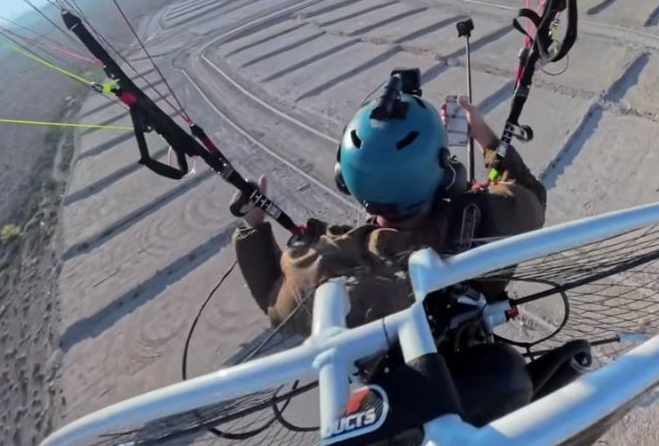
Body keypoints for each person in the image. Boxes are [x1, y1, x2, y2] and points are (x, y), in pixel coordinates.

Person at [231, 83, 546, 336]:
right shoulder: (494, 218)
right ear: (449, 175)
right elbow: (529, 191)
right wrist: (485, 137)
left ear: (345, 179)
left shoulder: (321, 269)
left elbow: (276, 305)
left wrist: (253, 227)